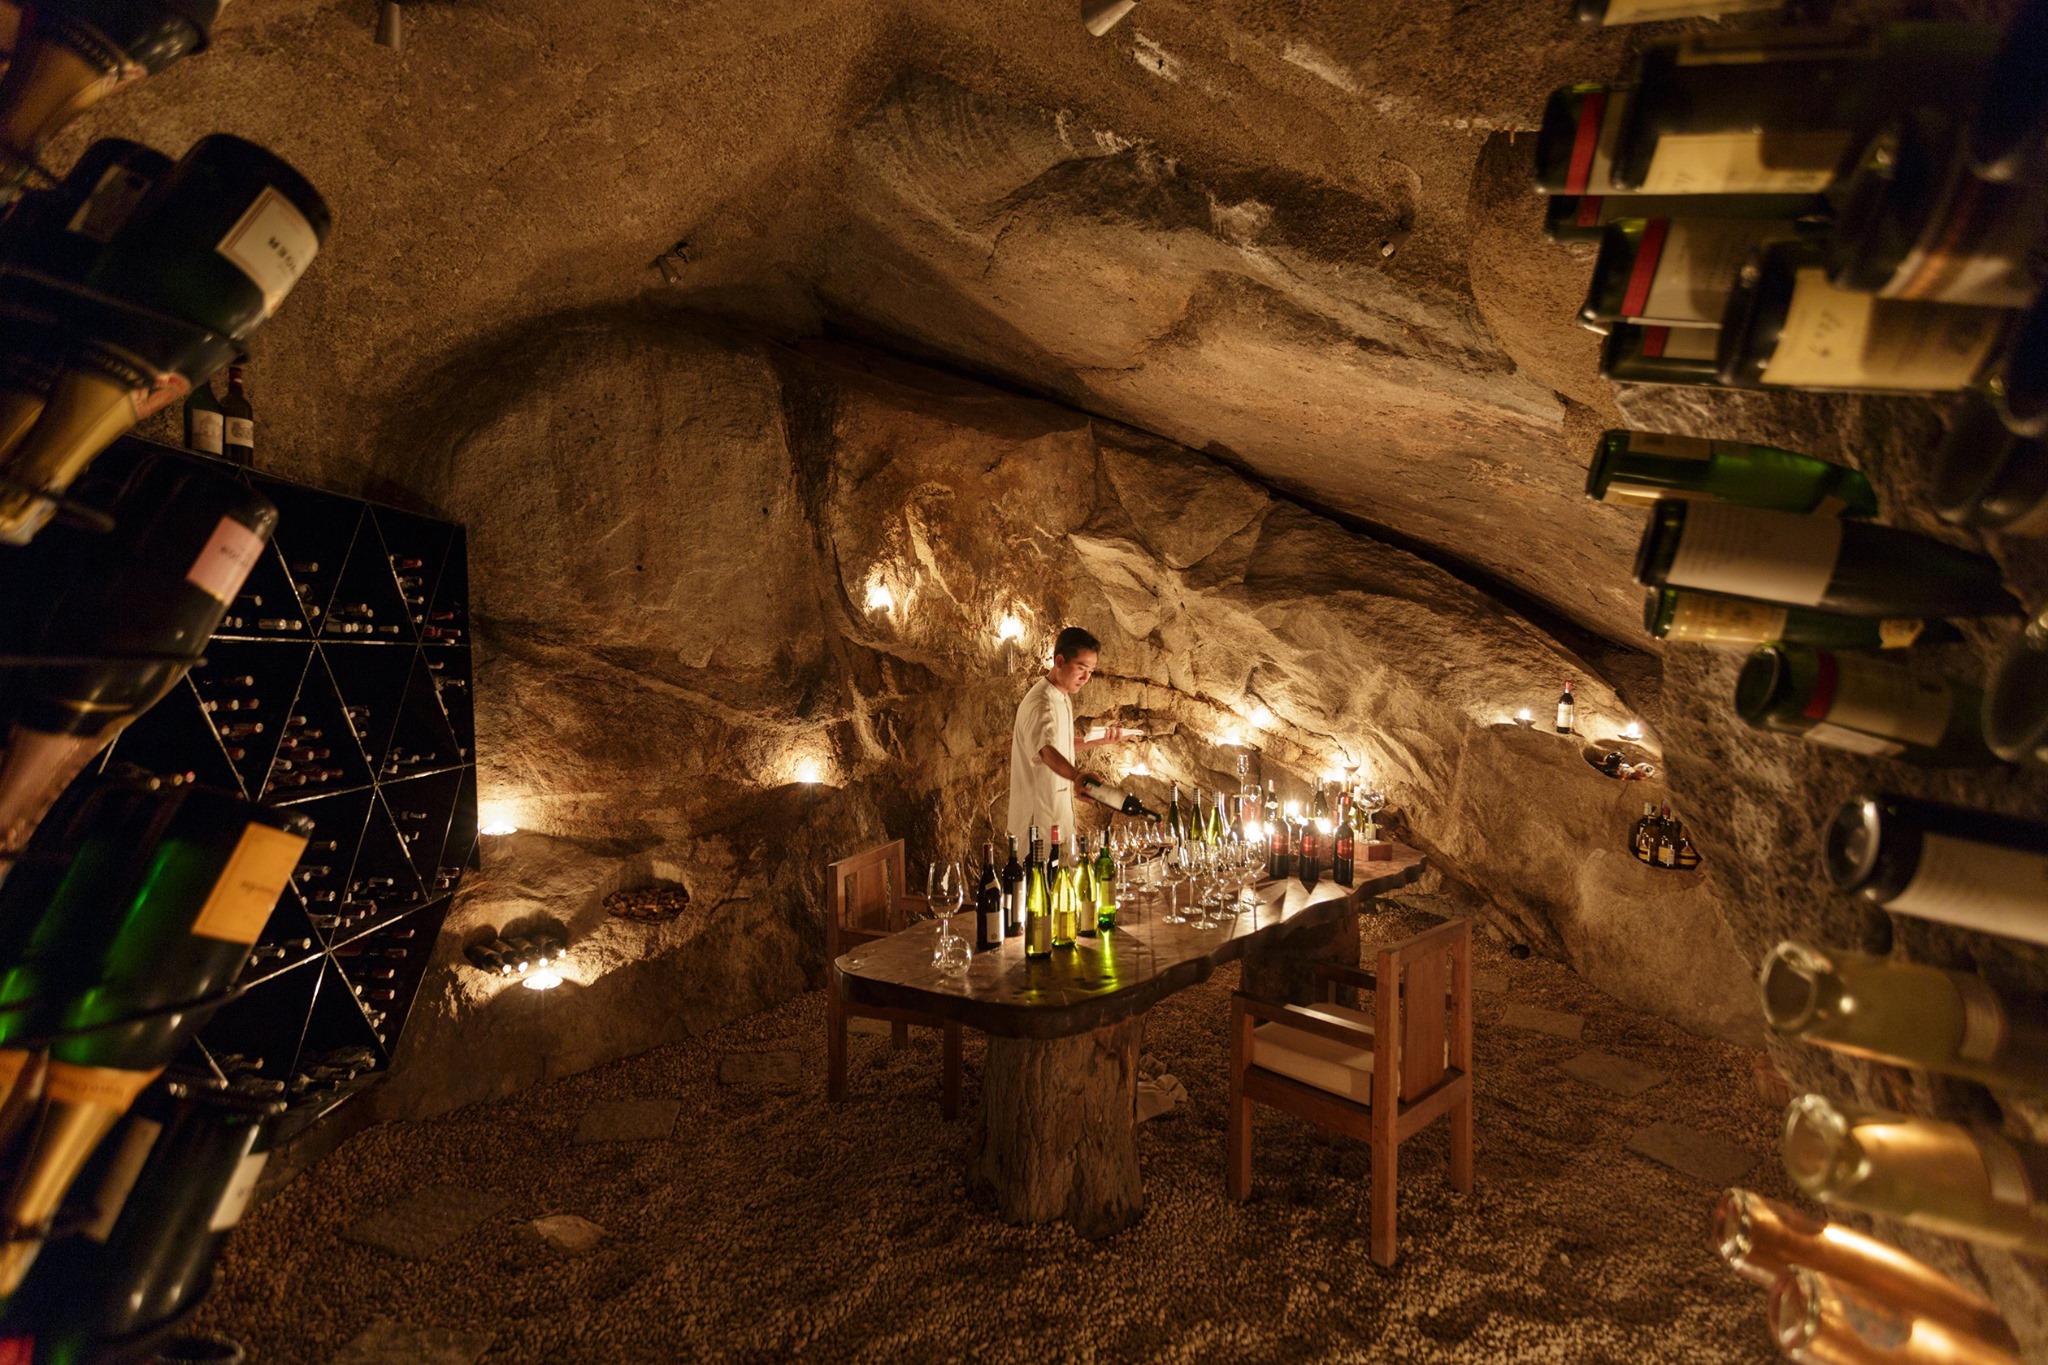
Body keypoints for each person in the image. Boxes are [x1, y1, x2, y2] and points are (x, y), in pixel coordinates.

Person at [1008, 625, 1130, 850]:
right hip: (1037, 821)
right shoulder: (1040, 703)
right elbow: (1046, 751)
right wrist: (1077, 777)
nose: (1086, 678)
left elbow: (1059, 746)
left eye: (1091, 671)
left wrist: (1100, 740)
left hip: (1058, 814)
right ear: (1060, 661)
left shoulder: (1062, 697)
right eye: (1081, 668)